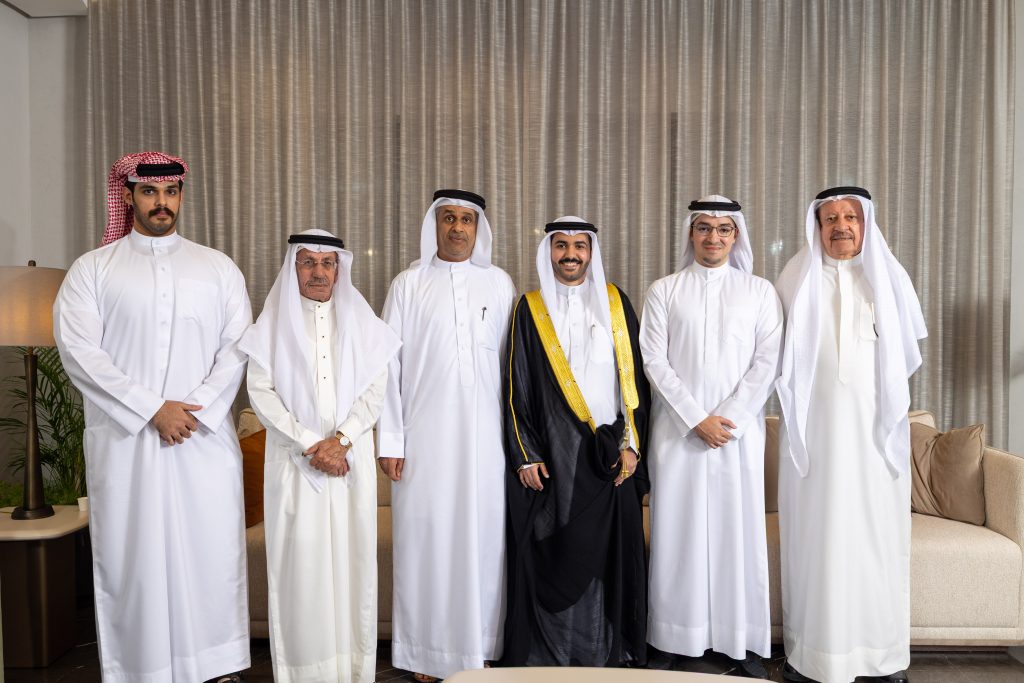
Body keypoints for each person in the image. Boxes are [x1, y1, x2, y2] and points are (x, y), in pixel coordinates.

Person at [53, 152, 252, 682]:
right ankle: (143, 669)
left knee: (208, 553)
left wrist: (192, 412)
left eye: (171, 192)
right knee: (135, 559)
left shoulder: (218, 268)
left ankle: (216, 667)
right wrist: (153, 410)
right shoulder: (92, 270)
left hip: (202, 440)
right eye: (149, 192)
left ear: (181, 196)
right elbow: (81, 353)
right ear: (128, 196)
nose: (162, 202)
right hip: (128, 442)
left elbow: (237, 349)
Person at [775, 186, 927, 683]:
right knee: (816, 544)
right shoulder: (794, 277)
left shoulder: (889, 277)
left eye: (851, 217)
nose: (841, 226)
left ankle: (880, 658)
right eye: (830, 219)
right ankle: (813, 657)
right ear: (817, 227)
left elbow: (906, 355)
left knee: (875, 542)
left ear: (866, 224)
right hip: (813, 444)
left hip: (873, 442)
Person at [240, 229, 400, 682]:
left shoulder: (363, 324)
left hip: (350, 465)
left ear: (338, 269)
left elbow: (376, 389)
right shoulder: (270, 327)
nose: (318, 271)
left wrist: (342, 440)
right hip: (296, 467)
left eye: (327, 263)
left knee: (353, 568)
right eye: (308, 262)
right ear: (293, 267)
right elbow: (261, 394)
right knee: (301, 572)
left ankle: (352, 672)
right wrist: (312, 444)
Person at [378, 189, 517, 682]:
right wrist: (390, 440)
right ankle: (427, 654)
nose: (457, 228)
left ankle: (480, 648)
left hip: (486, 442)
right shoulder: (408, 284)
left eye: (466, 220)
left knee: (484, 541)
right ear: (433, 225)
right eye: (448, 218)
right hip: (424, 440)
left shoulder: (500, 283)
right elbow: (386, 367)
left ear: (478, 228)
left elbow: (515, 368)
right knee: (427, 541)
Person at [640, 196, 782, 678]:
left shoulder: (760, 292)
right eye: (704, 228)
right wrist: (696, 419)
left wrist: (728, 418)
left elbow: (768, 363)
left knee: (736, 536)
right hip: (678, 434)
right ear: (691, 233)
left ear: (736, 235)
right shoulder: (664, 290)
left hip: (736, 437)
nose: (713, 237)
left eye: (723, 229)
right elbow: (653, 361)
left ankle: (740, 642)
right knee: (677, 534)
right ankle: (672, 638)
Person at [502, 216, 651, 667]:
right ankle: (553, 655)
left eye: (579, 246)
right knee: (558, 551)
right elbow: (515, 386)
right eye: (561, 245)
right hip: (555, 458)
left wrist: (632, 445)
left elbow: (634, 382)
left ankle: (606, 653)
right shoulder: (529, 309)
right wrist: (526, 455)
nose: (570, 254)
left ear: (591, 252)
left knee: (608, 555)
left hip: (610, 457)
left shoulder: (615, 302)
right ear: (549, 251)